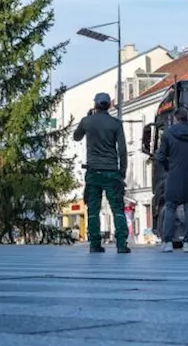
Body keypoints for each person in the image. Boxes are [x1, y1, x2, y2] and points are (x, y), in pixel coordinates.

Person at [72, 92, 130, 254]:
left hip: (93, 172)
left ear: (95, 105)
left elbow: (76, 137)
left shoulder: (87, 122)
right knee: (117, 208)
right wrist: (122, 172)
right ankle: (121, 244)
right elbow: (123, 150)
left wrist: (87, 118)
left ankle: (95, 244)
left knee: (93, 209)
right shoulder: (116, 124)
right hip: (112, 171)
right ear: (109, 105)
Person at [156, 107, 188, 253]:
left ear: (175, 118)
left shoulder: (168, 134)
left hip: (174, 175)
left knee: (170, 207)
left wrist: (169, 167)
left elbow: (160, 157)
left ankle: (168, 242)